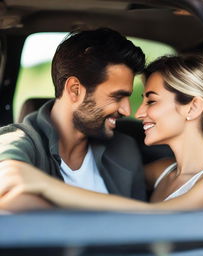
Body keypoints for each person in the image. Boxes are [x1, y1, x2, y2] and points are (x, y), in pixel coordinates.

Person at [0, 54, 203, 211]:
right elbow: (99, 185)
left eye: (150, 101)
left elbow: (156, 220)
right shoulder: (161, 171)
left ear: (192, 107)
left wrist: (44, 185)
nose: (137, 113)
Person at [0, 28, 147, 211]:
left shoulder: (124, 149)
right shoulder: (18, 141)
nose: (127, 110)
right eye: (117, 97)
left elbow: (140, 223)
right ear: (75, 89)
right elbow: (6, 193)